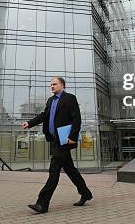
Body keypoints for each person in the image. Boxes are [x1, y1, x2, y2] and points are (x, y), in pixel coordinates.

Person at [22, 77, 93, 214]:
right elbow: (44, 116)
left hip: (64, 140)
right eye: (51, 85)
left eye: (54, 84)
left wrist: (72, 137)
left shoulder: (70, 98)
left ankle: (42, 203)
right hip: (54, 140)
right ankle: (86, 193)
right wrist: (29, 123)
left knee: (54, 170)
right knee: (70, 169)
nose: (52, 86)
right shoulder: (50, 101)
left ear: (62, 85)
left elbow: (76, 119)